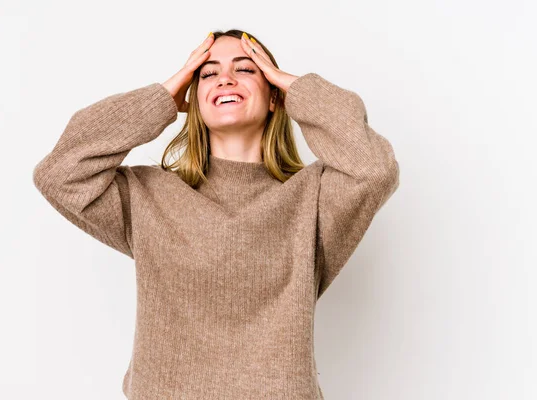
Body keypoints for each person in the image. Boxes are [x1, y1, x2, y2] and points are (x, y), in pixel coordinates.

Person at [32, 29, 400, 400]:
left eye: (247, 69)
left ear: (275, 96)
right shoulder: (148, 196)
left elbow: (374, 169)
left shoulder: (314, 199)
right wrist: (160, 98)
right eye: (207, 73)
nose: (225, 78)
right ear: (193, 100)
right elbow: (59, 174)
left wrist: (298, 90)